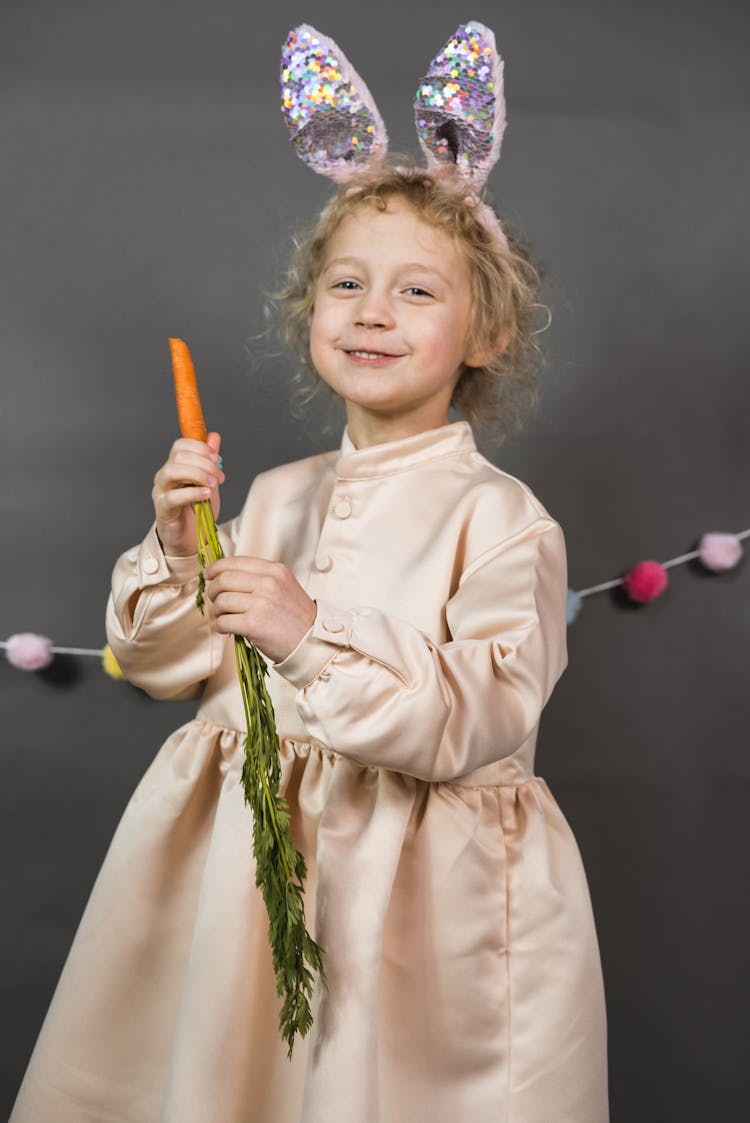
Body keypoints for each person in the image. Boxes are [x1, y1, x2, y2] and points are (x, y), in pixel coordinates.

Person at [10, 21, 608, 1123]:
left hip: (416, 906)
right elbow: (160, 665)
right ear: (311, 313)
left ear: (486, 333)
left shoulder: (503, 519)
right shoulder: (277, 495)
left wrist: (303, 629)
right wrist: (186, 547)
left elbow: (476, 718)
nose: (374, 311)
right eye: (347, 284)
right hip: (244, 880)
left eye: (419, 293)